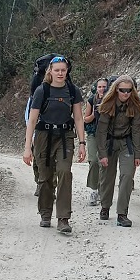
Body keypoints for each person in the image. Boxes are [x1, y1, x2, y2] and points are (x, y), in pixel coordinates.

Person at [22, 57, 86, 233]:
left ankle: (63, 218)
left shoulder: (73, 91)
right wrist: (28, 147)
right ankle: (45, 213)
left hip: (65, 135)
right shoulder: (42, 91)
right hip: (44, 137)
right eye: (56, 70)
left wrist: (82, 143)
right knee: (45, 177)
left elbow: (79, 118)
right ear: (50, 71)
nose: (60, 73)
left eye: (63, 70)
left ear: (67, 71)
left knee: (65, 172)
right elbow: (33, 120)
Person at [95, 75, 140, 227]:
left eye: (129, 90)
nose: (126, 93)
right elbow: (101, 131)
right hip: (109, 142)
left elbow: (138, 131)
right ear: (116, 89)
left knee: (127, 175)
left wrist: (138, 154)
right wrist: (102, 154)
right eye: (123, 90)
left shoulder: (135, 106)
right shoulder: (107, 104)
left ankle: (122, 213)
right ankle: (105, 206)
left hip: (126, 143)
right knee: (107, 176)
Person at [83, 77, 109, 206]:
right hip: (93, 133)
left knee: (103, 162)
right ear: (96, 88)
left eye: (104, 86)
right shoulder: (91, 100)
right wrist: (95, 113)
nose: (102, 89)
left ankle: (101, 190)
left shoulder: (112, 100)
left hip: (107, 135)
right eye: (100, 87)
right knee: (93, 161)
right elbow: (86, 119)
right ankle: (94, 190)